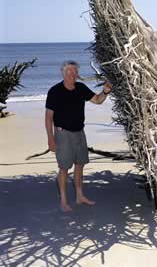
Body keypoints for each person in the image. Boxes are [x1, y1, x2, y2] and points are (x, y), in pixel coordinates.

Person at [45, 60, 112, 212]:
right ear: (63, 73)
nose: (72, 74)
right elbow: (48, 117)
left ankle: (79, 196)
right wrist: (50, 138)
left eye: (75, 72)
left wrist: (106, 92)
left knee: (80, 165)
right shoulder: (55, 91)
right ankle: (63, 200)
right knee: (64, 168)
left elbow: (97, 100)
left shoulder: (80, 88)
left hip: (79, 133)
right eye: (69, 71)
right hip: (63, 134)